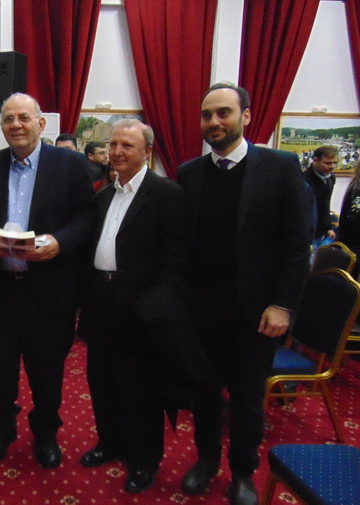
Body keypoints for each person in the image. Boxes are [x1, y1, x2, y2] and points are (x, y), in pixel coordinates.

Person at [177, 83, 311, 505]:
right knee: (203, 392)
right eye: (206, 115)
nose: (214, 122)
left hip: (256, 311)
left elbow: (296, 245)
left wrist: (283, 305)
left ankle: (242, 472)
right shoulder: (188, 173)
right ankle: (206, 460)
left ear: (246, 116)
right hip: (202, 309)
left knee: (247, 398)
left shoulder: (280, 167)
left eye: (223, 113)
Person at [78, 119, 212, 493]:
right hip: (101, 301)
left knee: (139, 388)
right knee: (101, 379)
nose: (117, 152)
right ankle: (110, 442)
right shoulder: (104, 195)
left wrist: (153, 305)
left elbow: (176, 261)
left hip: (141, 308)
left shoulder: (167, 194)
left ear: (147, 152)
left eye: (127, 146)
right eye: (113, 145)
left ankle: (143, 460)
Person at [0, 93, 95, 468]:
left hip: (49, 292)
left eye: (24, 117)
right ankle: (1, 432)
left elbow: (86, 216)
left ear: (41, 123)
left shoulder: (71, 164)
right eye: (8, 119)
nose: (16, 125)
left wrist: (61, 242)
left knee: (47, 374)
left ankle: (45, 435)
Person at [303, 145, 338, 250]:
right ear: (315, 160)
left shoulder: (331, 178)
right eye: (328, 163)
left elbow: (326, 204)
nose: (332, 166)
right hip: (307, 231)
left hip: (323, 231)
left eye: (335, 163)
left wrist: (328, 227)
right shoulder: (304, 180)